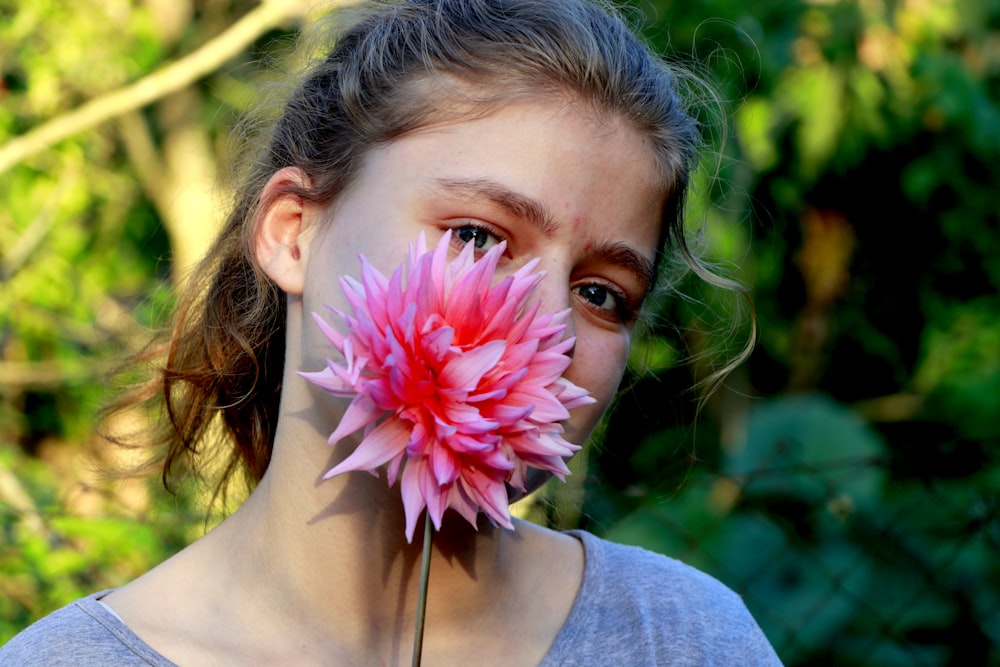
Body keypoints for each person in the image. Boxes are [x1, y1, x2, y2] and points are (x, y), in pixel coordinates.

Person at [1, 0, 781, 664]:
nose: (547, 327)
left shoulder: (687, 639)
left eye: (601, 293)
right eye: (477, 235)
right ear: (293, 233)